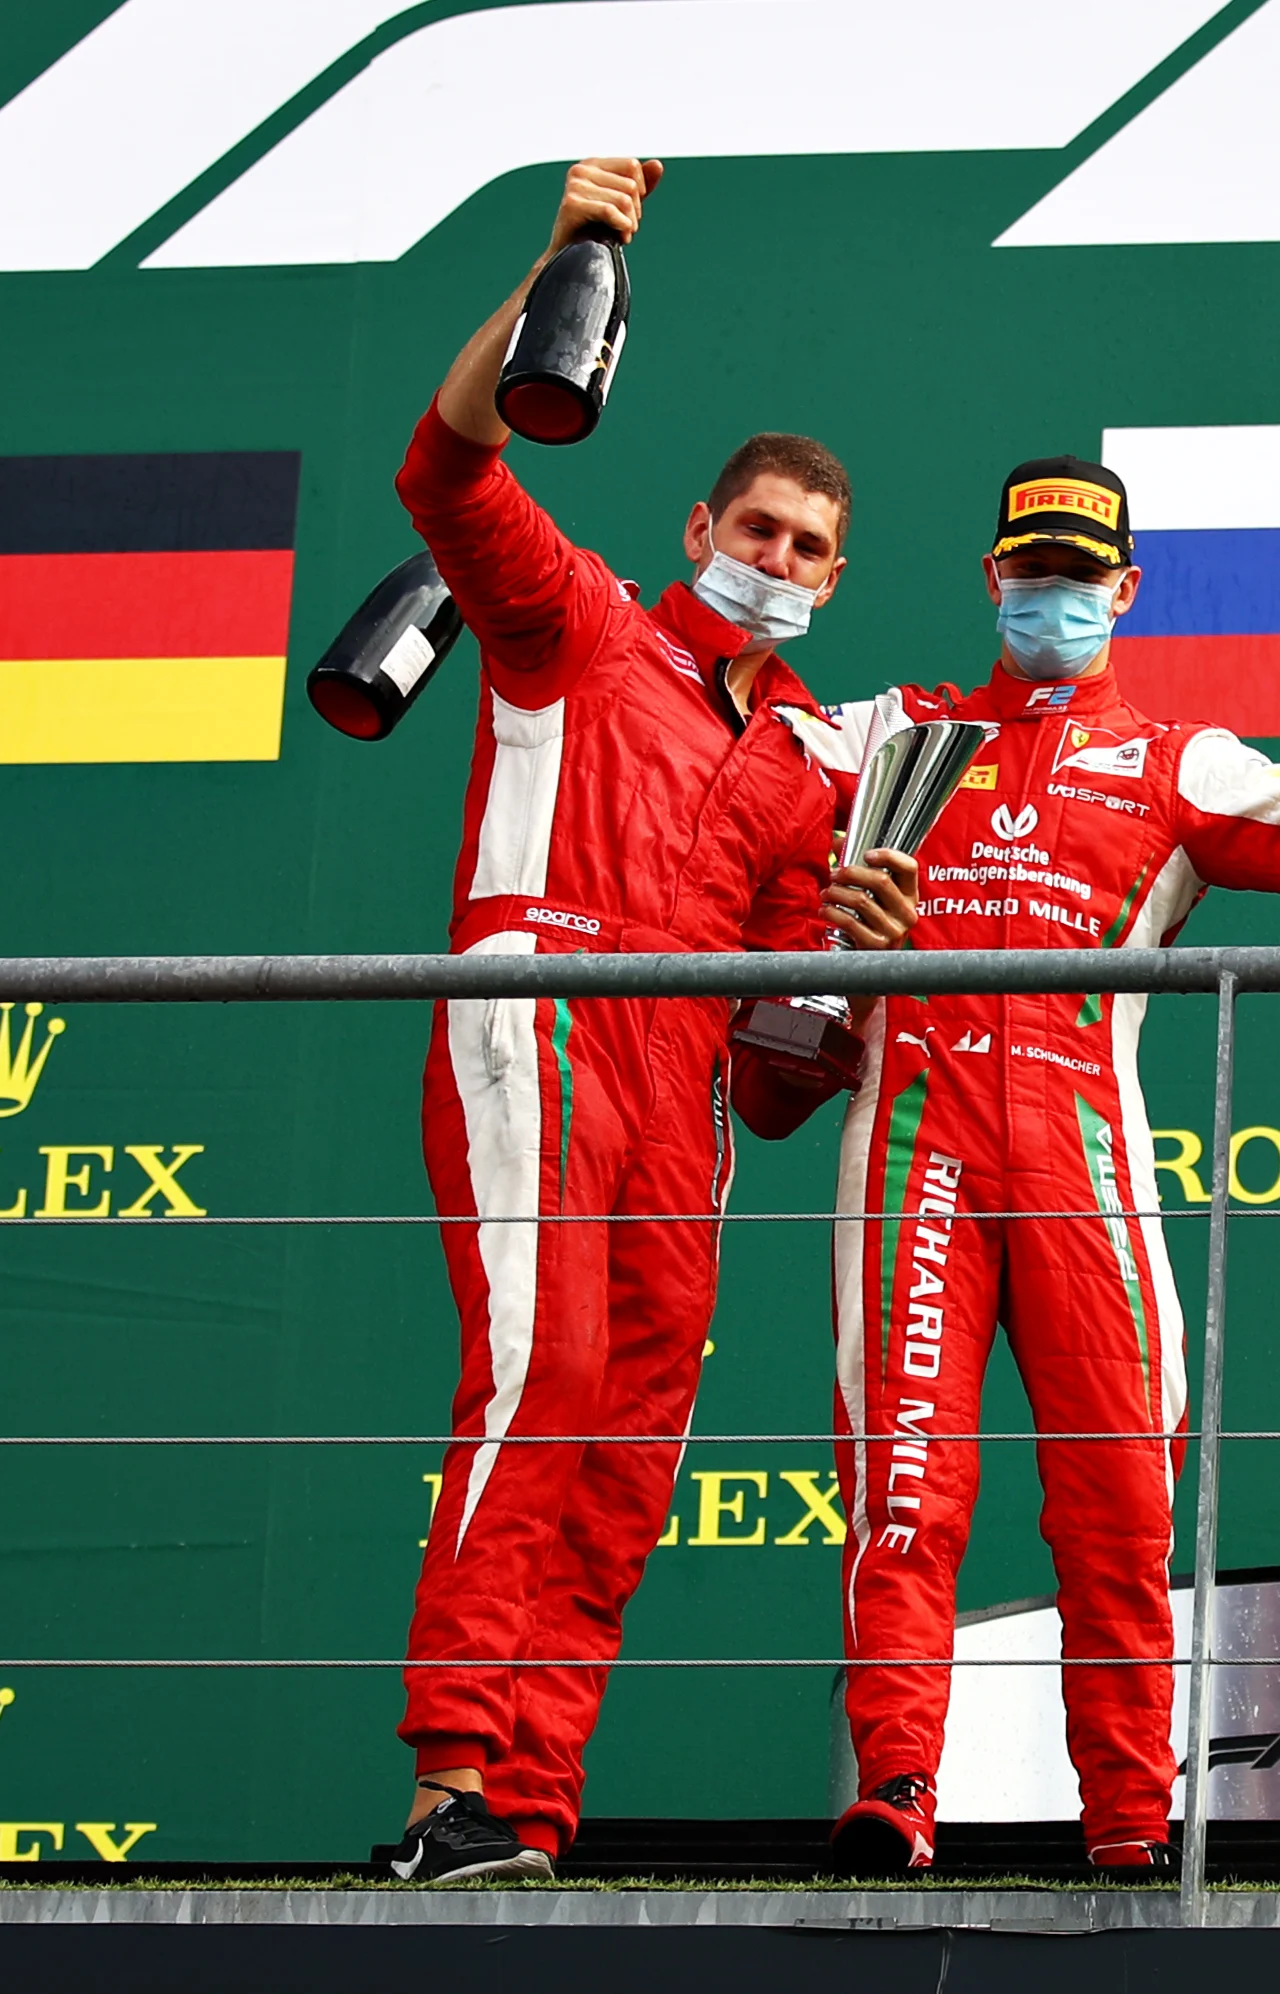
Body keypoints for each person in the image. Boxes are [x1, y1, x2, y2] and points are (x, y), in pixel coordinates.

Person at [751, 457, 1280, 1873]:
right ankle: (894, 1787)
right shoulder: (884, 732)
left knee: (1120, 1497)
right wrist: (807, 927)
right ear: (990, 580)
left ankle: (1129, 1815)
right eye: (1029, 570)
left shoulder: (1175, 759)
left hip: (1082, 1153)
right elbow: (726, 791)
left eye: (1079, 574)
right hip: (911, 1140)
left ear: (1124, 591)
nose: (1051, 594)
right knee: (901, 1483)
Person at [383, 156, 918, 1883]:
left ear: (838, 583)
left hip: (677, 1085)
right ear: (701, 531)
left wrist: (851, 975)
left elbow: (773, 1092)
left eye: (811, 550)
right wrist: (562, 263)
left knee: (631, 1449)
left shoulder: (799, 773)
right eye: (758, 530)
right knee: (535, 1378)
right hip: (535, 1003)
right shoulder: (577, 622)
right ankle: (441, 1786)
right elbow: (446, 460)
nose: (780, 561)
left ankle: (528, 1809)